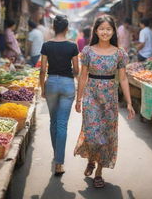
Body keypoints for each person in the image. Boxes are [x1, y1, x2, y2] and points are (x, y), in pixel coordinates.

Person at [74, 15, 135, 188]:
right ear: (96, 31)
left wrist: (129, 102)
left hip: (110, 99)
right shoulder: (87, 51)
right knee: (93, 135)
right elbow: (83, 76)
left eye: (109, 29)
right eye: (102, 29)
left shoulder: (120, 53)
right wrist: (79, 99)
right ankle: (91, 159)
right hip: (91, 98)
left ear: (113, 31)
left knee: (106, 137)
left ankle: (99, 172)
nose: (105, 32)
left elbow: (123, 79)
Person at [39, 15, 79, 176]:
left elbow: (42, 70)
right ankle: (59, 163)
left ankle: (57, 155)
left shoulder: (46, 45)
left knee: (53, 121)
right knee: (62, 124)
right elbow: (76, 70)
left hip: (51, 84)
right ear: (67, 28)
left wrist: (43, 88)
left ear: (54, 28)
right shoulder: (72, 46)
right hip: (68, 84)